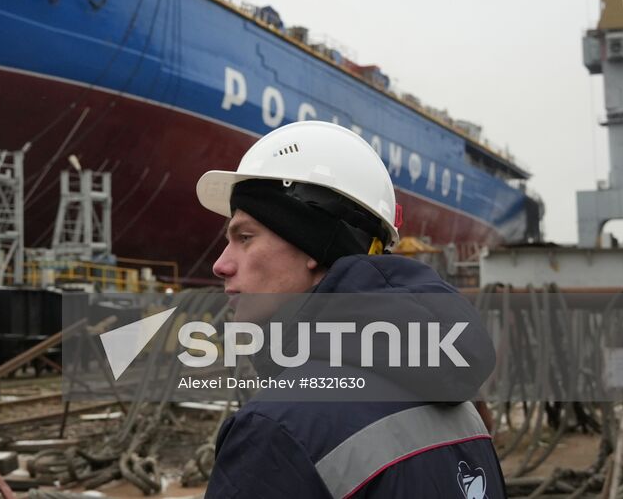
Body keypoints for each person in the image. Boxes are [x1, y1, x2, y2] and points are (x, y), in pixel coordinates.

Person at [195, 120, 505, 499]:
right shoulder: (465, 409)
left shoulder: (277, 429)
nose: (221, 264)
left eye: (245, 237)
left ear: (313, 244)